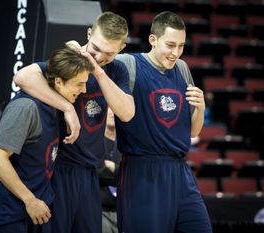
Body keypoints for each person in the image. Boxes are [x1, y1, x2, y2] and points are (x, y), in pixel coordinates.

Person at [13, 12, 134, 233]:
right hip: (58, 167)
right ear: (89, 33)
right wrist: (67, 107)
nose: (98, 57)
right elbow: (22, 77)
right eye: (95, 48)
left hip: (89, 172)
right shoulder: (72, 57)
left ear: (121, 48)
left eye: (108, 53)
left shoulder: (116, 70)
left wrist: (97, 72)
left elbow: (126, 113)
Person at [115, 11, 212, 233]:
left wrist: (201, 107)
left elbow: (192, 132)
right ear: (153, 39)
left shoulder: (182, 68)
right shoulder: (129, 63)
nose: (175, 53)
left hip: (180, 171)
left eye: (181, 46)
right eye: (170, 45)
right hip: (143, 171)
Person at [0, 44, 94, 233]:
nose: (83, 90)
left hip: (36, 211)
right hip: (9, 214)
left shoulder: (55, 106)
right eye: (79, 84)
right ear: (58, 82)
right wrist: (29, 200)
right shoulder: (26, 108)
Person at [97, 108, 120, 233]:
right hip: (100, 210)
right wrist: (118, 174)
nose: (112, 112)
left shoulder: (125, 143)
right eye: (108, 109)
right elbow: (94, 171)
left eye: (114, 109)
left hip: (122, 211)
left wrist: (112, 166)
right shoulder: (95, 141)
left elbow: (130, 174)